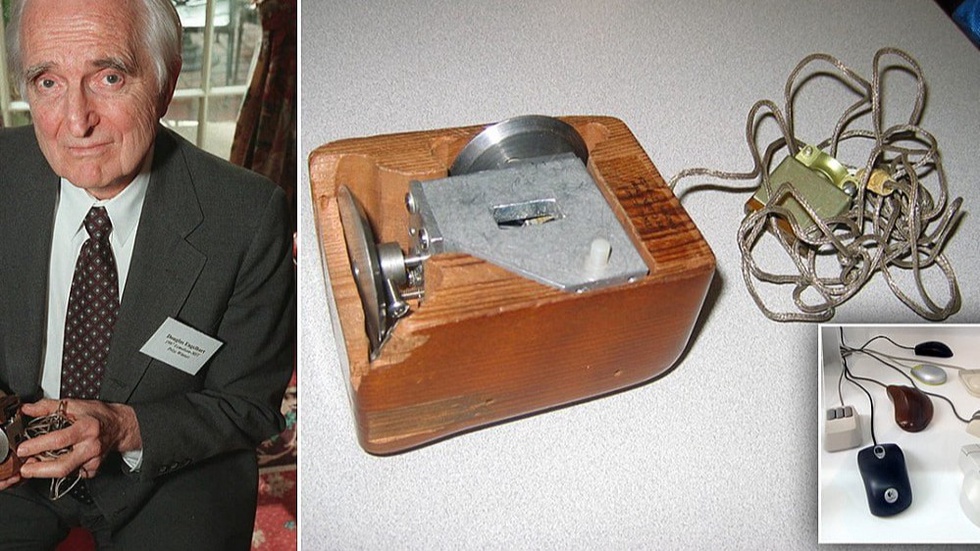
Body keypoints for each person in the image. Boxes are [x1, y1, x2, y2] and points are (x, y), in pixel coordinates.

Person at [0, 0, 295, 548]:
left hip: (167, 469)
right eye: (48, 82)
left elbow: (250, 406)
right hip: (14, 465)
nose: (76, 122)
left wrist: (124, 427)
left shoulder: (248, 217)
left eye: (108, 78)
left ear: (165, 82)